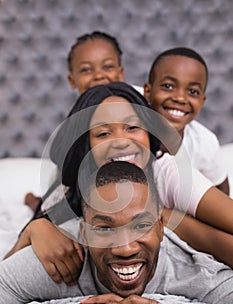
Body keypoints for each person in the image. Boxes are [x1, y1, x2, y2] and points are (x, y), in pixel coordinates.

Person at [4, 82, 233, 287]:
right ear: (86, 145)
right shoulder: (71, 191)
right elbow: (7, 277)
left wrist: (168, 217)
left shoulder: (167, 173)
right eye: (103, 133)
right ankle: (32, 199)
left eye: (133, 128)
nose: (122, 142)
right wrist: (34, 230)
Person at [1, 161, 233, 304]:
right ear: (84, 233)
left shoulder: (194, 269)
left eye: (141, 226)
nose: (125, 248)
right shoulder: (61, 258)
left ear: (161, 228)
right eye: (104, 228)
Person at [24, 30, 125, 213]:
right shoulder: (77, 118)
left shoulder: (135, 105)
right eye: (86, 69)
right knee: (48, 209)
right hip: (75, 180)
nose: (99, 75)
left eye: (108, 67)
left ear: (121, 73)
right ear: (72, 80)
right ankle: (34, 201)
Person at [144, 47, 229, 194]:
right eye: (168, 86)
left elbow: (222, 192)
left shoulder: (204, 142)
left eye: (192, 92)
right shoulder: (130, 129)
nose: (180, 98)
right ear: (148, 92)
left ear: (202, 101)